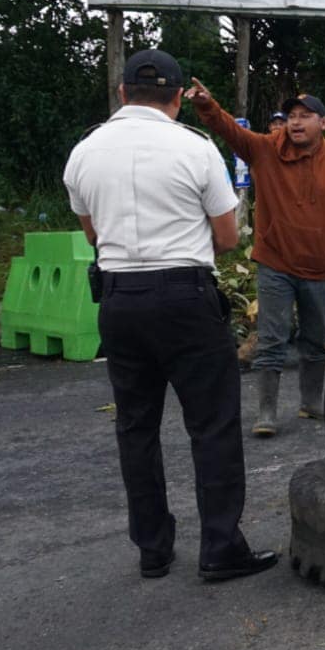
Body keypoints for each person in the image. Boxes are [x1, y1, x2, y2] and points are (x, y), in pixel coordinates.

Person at [63, 49, 277, 582]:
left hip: (119, 301)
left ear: (121, 93)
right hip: (184, 297)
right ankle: (221, 548)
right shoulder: (196, 148)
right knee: (213, 424)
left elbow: (93, 235)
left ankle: (153, 549)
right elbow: (226, 237)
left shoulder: (84, 153)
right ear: (179, 98)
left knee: (137, 427)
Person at [186, 82, 325, 437]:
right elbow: (230, 131)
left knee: (316, 338)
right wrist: (208, 106)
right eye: (291, 117)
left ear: (324, 123)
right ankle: (267, 412)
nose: (296, 123)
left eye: (305, 117)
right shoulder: (265, 150)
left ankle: (311, 402)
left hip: (319, 266)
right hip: (276, 263)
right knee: (272, 338)